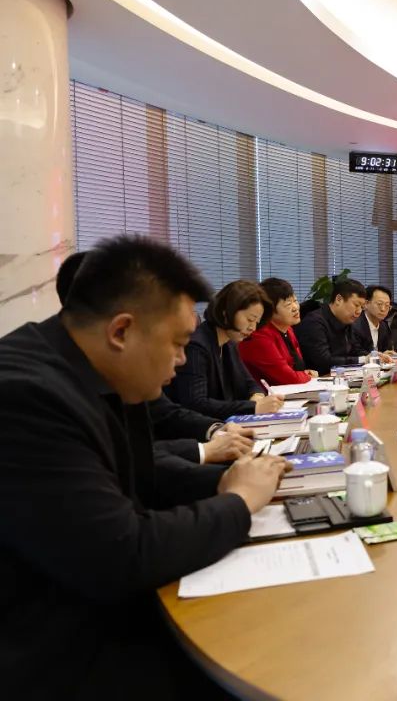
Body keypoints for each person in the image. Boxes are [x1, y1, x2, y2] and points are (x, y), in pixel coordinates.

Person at [0, 236, 289, 697]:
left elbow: (144, 473)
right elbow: (122, 555)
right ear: (121, 331)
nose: (182, 360)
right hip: (62, 653)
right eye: (177, 344)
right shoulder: (25, 395)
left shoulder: (99, 370)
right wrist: (238, 501)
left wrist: (244, 480)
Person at [56, 251, 254, 464]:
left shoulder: (115, 357)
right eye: (175, 342)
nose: (181, 358)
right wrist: (206, 453)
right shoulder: (48, 385)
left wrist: (216, 429)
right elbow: (121, 457)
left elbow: (165, 412)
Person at [165, 281, 284, 419]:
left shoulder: (229, 344)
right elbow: (196, 403)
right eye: (250, 319)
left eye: (256, 322)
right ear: (226, 313)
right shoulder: (196, 346)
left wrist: (257, 397)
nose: (253, 328)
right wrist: (253, 407)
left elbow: (250, 383)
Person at [239, 277, 319, 386]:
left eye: (295, 301)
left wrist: (303, 374)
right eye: (288, 304)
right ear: (269, 310)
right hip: (265, 394)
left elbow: (296, 369)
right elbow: (288, 378)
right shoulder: (259, 336)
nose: (295, 308)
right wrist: (305, 376)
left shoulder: (288, 329)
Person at [294, 277, 368, 375]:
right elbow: (324, 361)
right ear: (338, 299)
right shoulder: (314, 322)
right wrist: (362, 359)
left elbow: (355, 350)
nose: (359, 311)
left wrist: (372, 357)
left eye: (362, 307)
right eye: (356, 305)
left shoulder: (346, 320)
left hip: (340, 376)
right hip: (318, 379)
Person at [356, 284, 394, 360]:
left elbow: (387, 350)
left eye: (387, 305)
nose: (383, 309)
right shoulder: (355, 325)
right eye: (379, 304)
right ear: (366, 304)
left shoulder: (384, 326)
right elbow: (356, 353)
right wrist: (379, 356)